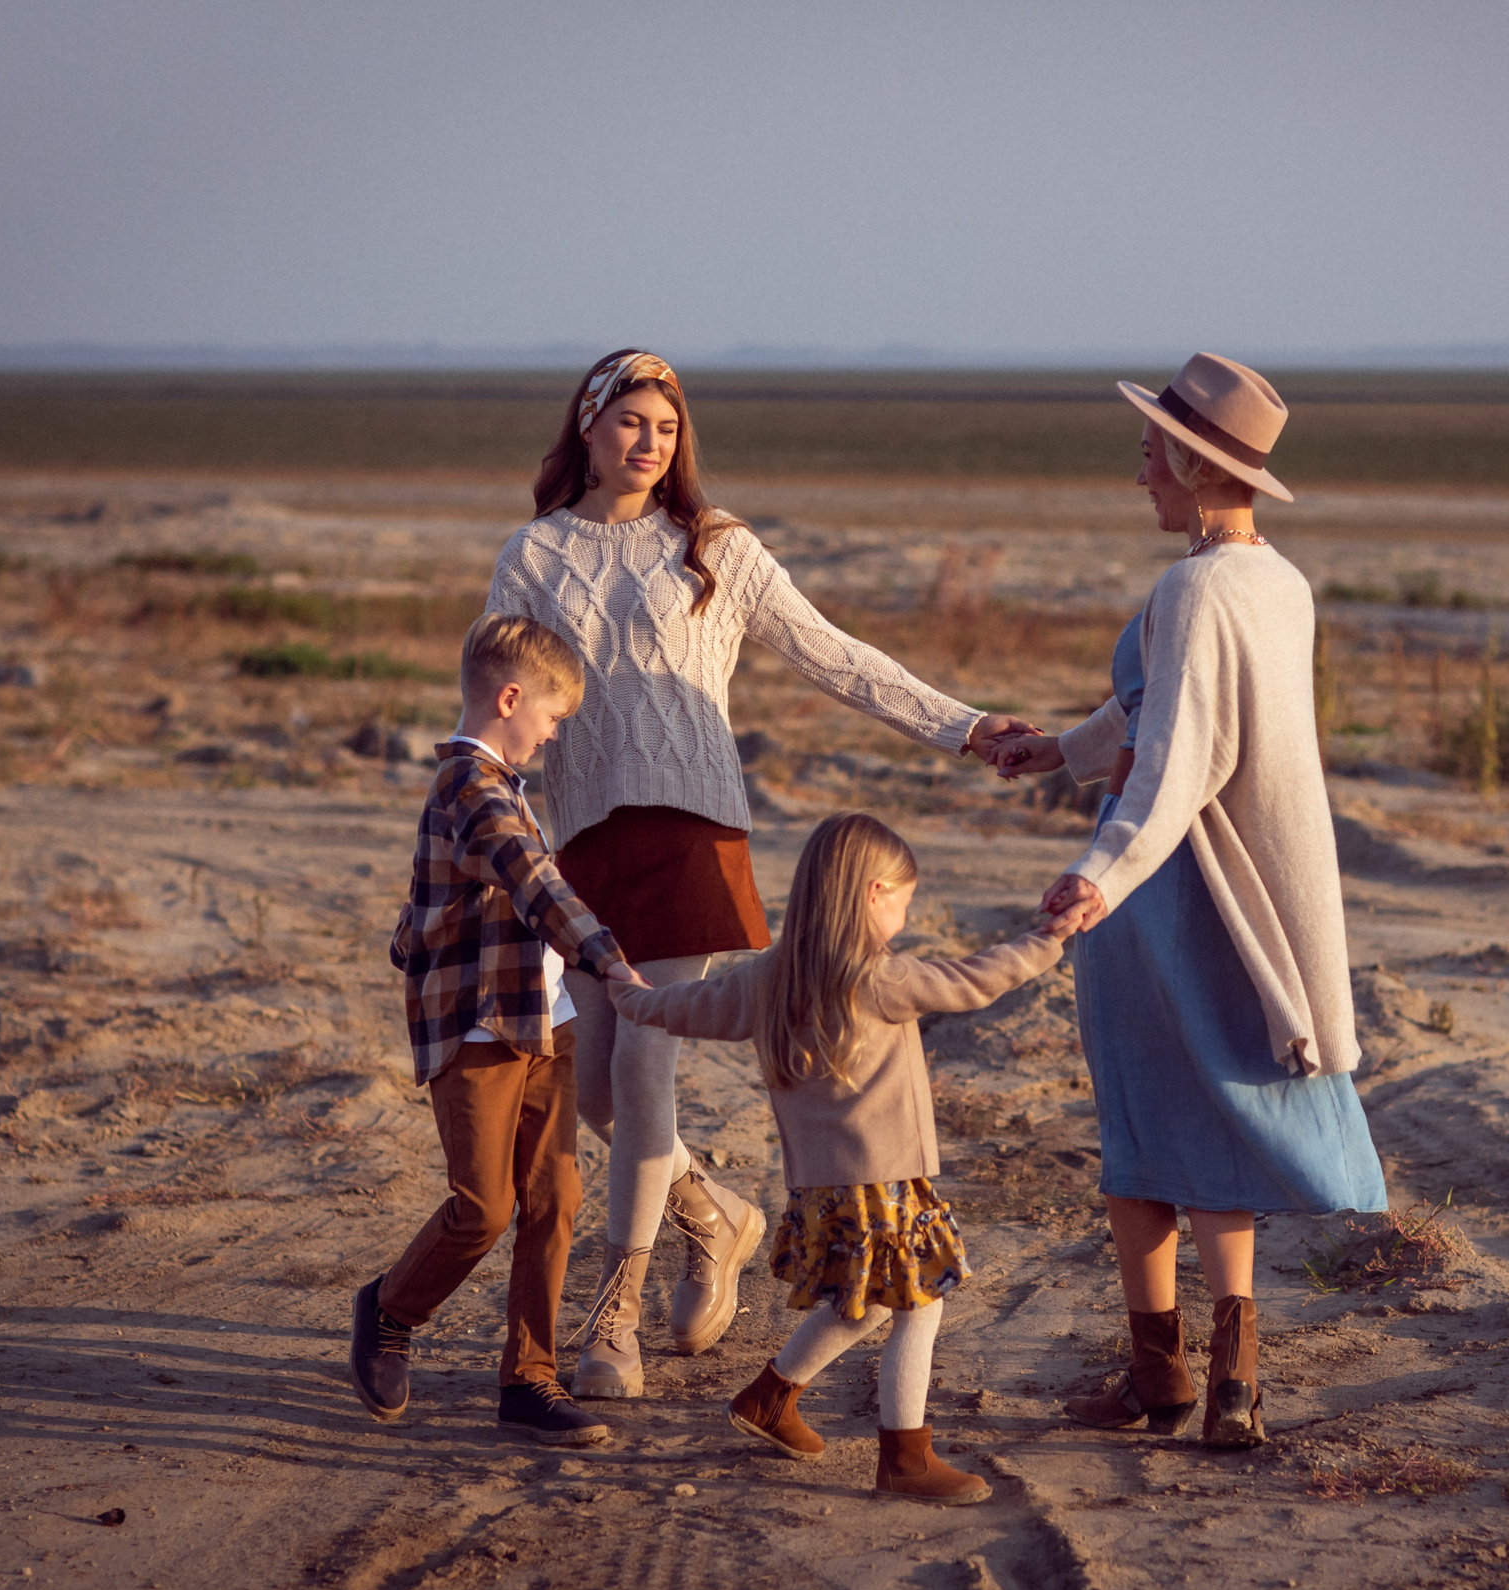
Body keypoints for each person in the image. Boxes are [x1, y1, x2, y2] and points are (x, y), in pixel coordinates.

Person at [486, 350, 1033, 1401]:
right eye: (631, 422)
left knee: (642, 1067)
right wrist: (481, 817)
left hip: (693, 828)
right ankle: (717, 1217)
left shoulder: (713, 545)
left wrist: (963, 728)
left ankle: (617, 1316)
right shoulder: (535, 552)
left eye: (667, 427)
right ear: (589, 428)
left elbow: (831, 653)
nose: (650, 443)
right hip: (583, 837)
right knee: (596, 1089)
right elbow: (501, 685)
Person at [992, 353, 1387, 1450]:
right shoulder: (1276, 582)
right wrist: (1057, 751)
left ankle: (1158, 1375)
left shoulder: (1194, 586)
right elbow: (1151, 711)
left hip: (1164, 889)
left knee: (1142, 1133)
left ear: (1188, 460)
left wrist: (1100, 876)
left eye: (1146, 457)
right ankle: (1233, 1384)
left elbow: (1177, 761)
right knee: (1209, 1129)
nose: (1139, 480)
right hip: (1237, 889)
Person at [606, 812, 1072, 1504]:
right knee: (919, 1306)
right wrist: (1049, 938)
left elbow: (691, 1006)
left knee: (867, 1304)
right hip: (881, 1183)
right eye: (903, 906)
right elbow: (976, 979)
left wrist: (633, 997)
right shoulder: (878, 978)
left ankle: (769, 1398)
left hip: (823, 1189)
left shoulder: (766, 978)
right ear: (873, 894)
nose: (905, 924)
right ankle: (906, 1459)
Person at [351, 614, 647, 1446]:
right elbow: (533, 881)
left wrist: (420, 930)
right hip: (481, 1029)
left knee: (556, 1198)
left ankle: (530, 1381)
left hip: (544, 1023)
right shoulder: (472, 789)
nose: (553, 736)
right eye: (551, 719)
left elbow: (439, 907)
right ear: (510, 698)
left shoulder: (497, 788)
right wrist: (609, 962)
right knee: (483, 1208)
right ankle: (389, 1309)